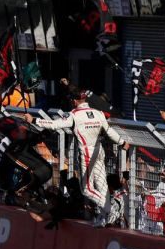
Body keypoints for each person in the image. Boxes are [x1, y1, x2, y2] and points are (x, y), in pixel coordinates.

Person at [25, 88, 130, 227]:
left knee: (86, 189)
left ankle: (110, 209)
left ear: (74, 101)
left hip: (87, 153)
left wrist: (34, 120)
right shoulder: (98, 113)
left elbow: (54, 125)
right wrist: (122, 142)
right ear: (85, 99)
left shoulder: (73, 115)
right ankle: (104, 218)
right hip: (100, 151)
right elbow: (109, 131)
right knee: (102, 186)